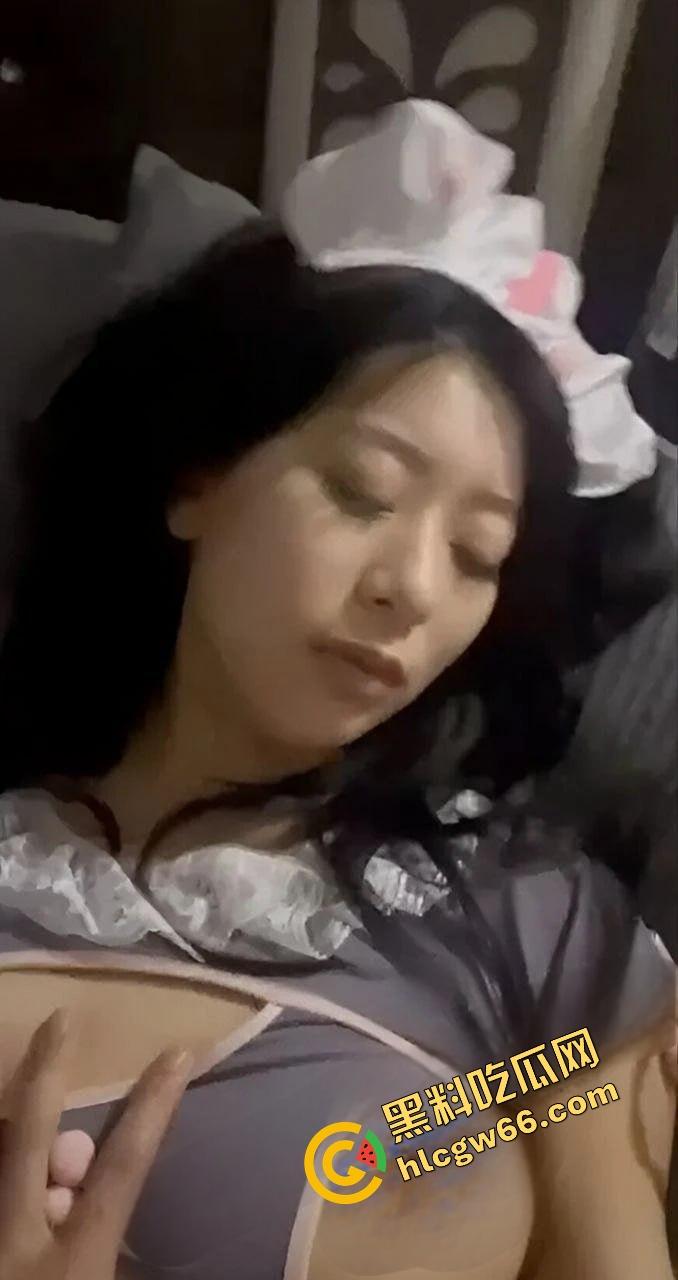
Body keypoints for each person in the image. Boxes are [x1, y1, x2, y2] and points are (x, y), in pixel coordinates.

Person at [0, 101, 675, 1279]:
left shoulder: (535, 936)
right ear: (198, 476)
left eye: (478, 555)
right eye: (363, 492)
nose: (412, 588)